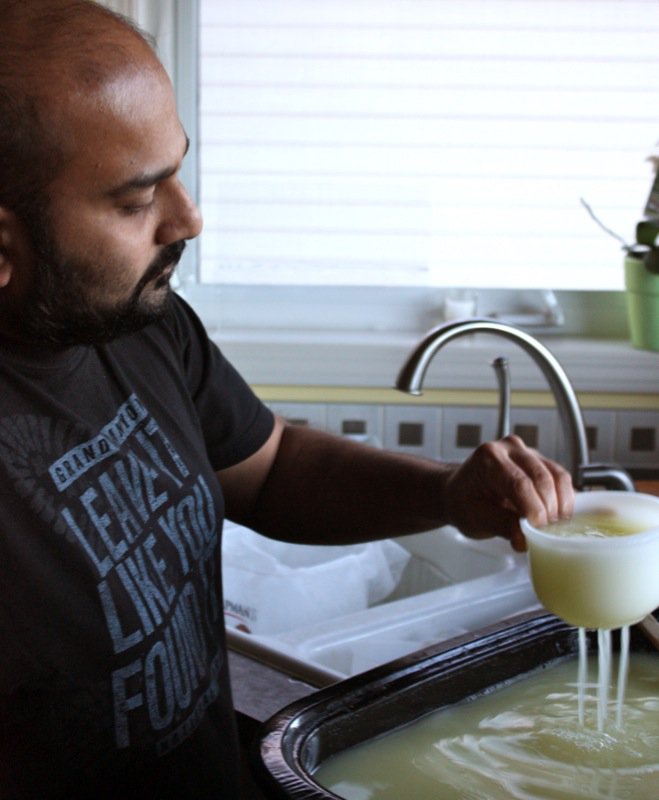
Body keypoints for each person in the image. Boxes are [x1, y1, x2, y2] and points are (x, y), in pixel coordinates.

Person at [0, 1, 574, 796]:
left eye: (177, 170)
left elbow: (268, 468)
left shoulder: (136, 320)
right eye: (136, 201)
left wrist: (446, 492)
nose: (188, 218)